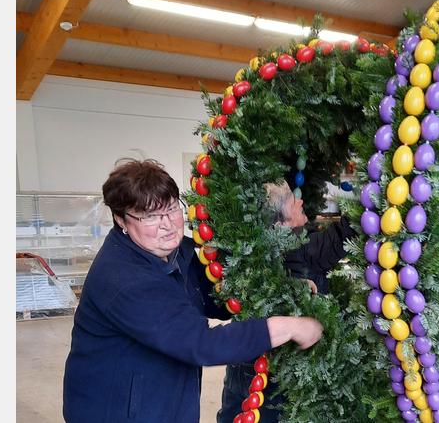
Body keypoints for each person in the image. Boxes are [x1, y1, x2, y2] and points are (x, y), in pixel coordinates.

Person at [63, 159, 324, 423]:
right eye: (150, 216)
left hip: (161, 400)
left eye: (171, 209)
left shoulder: (178, 251)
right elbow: (201, 344)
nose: (167, 224)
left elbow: (217, 297)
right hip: (119, 411)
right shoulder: (125, 279)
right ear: (121, 219)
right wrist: (287, 327)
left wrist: (280, 290)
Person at [217, 180, 357, 422]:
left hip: (243, 360)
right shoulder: (302, 247)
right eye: (294, 200)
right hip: (272, 373)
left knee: (237, 410)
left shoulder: (251, 250)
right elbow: (347, 231)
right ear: (280, 224)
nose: (301, 201)